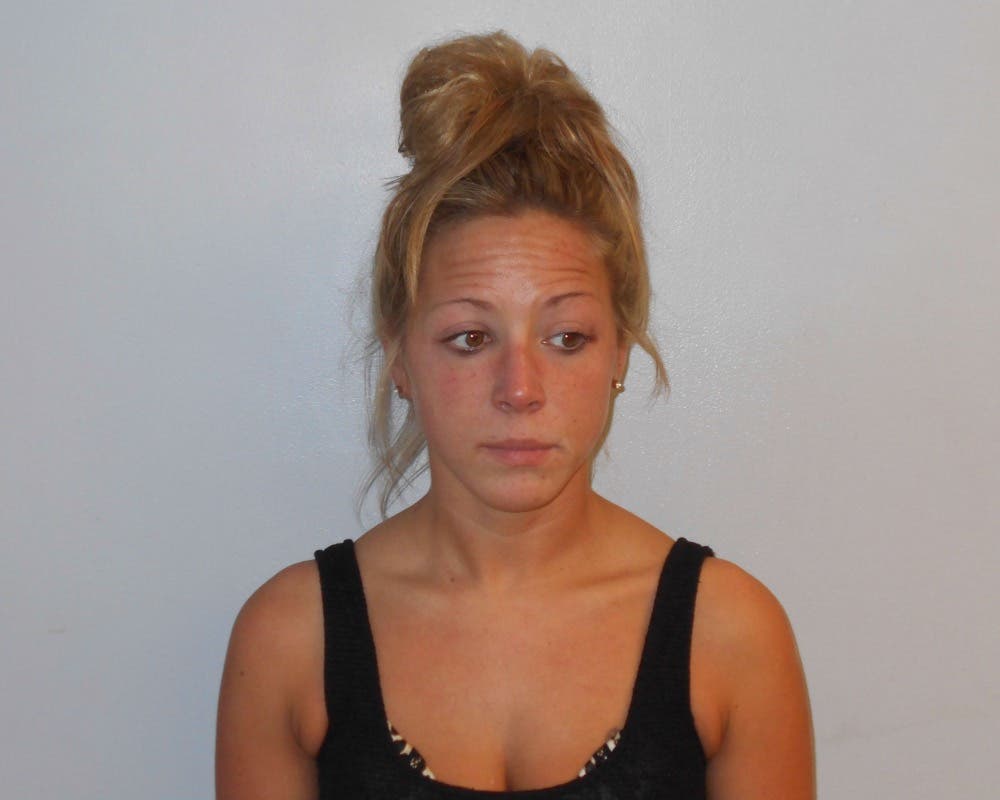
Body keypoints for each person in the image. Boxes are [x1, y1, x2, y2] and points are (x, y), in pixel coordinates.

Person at [215, 31, 814, 799]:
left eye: (566, 338)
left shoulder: (729, 636)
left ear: (619, 352)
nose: (520, 389)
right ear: (401, 358)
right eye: (470, 338)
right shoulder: (290, 641)